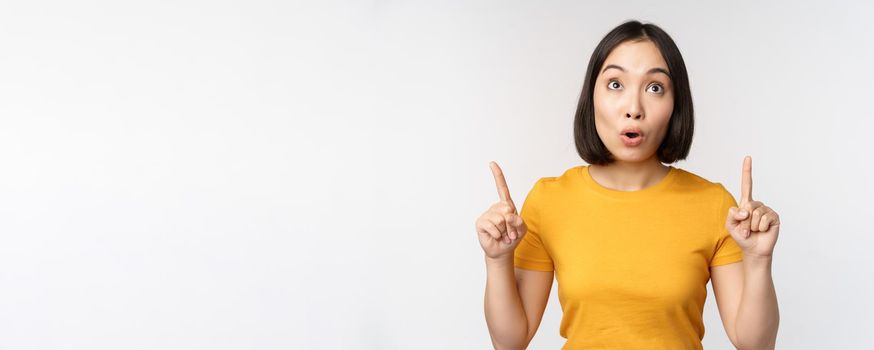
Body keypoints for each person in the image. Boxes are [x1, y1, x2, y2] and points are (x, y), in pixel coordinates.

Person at [476, 20, 780, 350]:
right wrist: (497, 261)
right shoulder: (549, 200)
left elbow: (754, 345)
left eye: (655, 88)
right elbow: (510, 342)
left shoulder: (714, 204)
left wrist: (758, 261)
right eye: (616, 84)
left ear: (676, 105)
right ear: (591, 95)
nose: (633, 109)